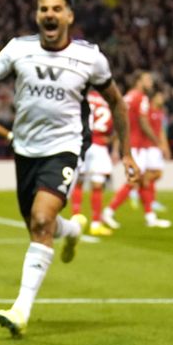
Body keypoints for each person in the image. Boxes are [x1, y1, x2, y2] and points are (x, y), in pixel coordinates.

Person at [0, 0, 139, 337]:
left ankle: (21, 309)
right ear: (37, 15)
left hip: (65, 148)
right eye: (44, 9)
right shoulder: (17, 49)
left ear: (69, 17)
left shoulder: (90, 57)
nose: (49, 14)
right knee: (38, 225)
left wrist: (127, 153)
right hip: (25, 150)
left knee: (41, 219)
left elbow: (117, 104)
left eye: (57, 9)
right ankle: (72, 230)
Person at [102, 73, 171, 229]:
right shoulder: (141, 98)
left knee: (142, 180)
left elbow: (120, 121)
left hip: (130, 144)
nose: (150, 82)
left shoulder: (127, 97)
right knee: (134, 180)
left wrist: (116, 145)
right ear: (139, 81)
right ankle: (108, 211)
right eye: (147, 79)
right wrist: (157, 142)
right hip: (138, 146)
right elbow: (143, 121)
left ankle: (150, 217)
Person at [70, 89, 119, 236]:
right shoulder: (108, 100)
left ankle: (76, 220)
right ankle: (96, 224)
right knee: (97, 185)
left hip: (82, 142)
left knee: (78, 181)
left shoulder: (81, 96)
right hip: (99, 146)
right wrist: (112, 142)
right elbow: (117, 124)